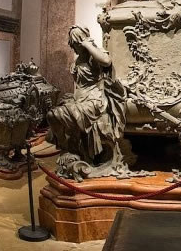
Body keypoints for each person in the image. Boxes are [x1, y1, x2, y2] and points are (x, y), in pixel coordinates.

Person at [47, 26, 129, 176]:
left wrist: (87, 44)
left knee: (57, 114)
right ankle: (67, 150)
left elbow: (106, 61)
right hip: (80, 99)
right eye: (73, 45)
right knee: (53, 115)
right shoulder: (79, 59)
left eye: (76, 44)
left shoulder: (94, 56)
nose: (74, 48)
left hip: (94, 101)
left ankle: (72, 151)